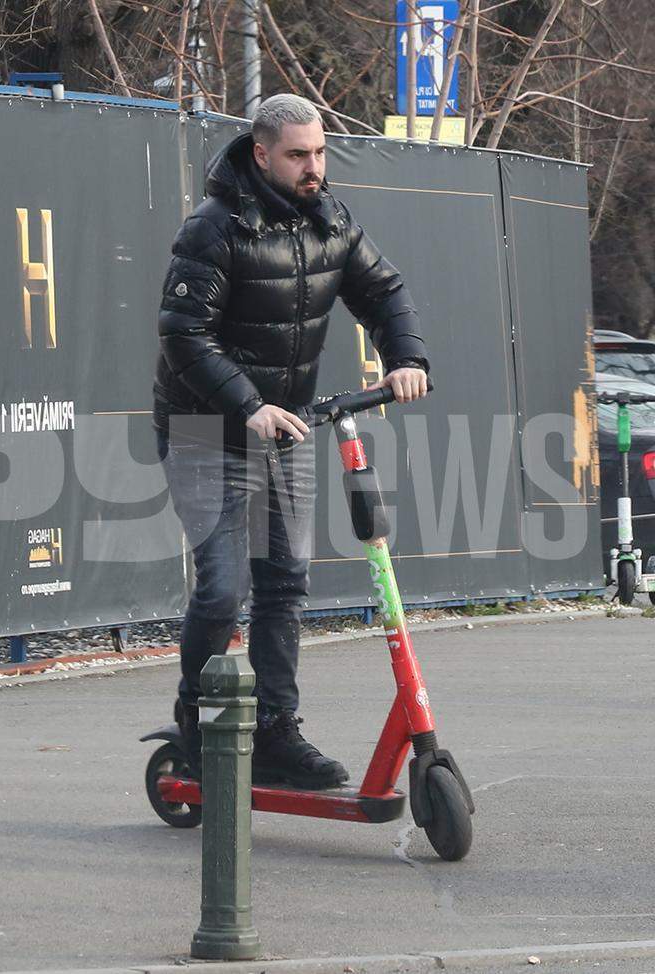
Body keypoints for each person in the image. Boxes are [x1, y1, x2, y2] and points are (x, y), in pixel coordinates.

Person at [152, 93, 430, 790]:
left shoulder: (330, 219)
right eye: (298, 156)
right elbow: (184, 336)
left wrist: (407, 359)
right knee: (223, 591)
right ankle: (195, 722)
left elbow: (384, 291)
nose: (313, 169)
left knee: (283, 584)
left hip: (286, 428)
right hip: (203, 429)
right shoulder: (214, 230)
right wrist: (247, 404)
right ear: (262, 154)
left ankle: (276, 732)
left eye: (320, 153)